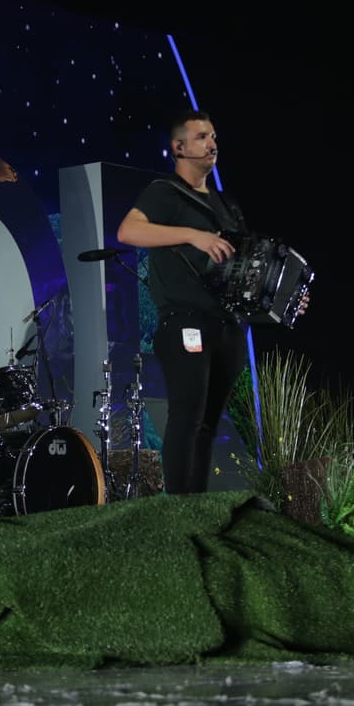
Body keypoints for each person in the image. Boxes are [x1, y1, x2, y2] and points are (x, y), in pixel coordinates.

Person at [115, 109, 249, 495]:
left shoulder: (228, 205)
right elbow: (128, 230)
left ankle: (196, 502)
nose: (213, 143)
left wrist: (280, 298)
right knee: (187, 413)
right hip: (184, 320)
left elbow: (246, 265)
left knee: (208, 421)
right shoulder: (164, 192)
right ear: (178, 147)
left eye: (214, 136)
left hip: (225, 324)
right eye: (203, 137)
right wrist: (194, 235)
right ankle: (178, 507)